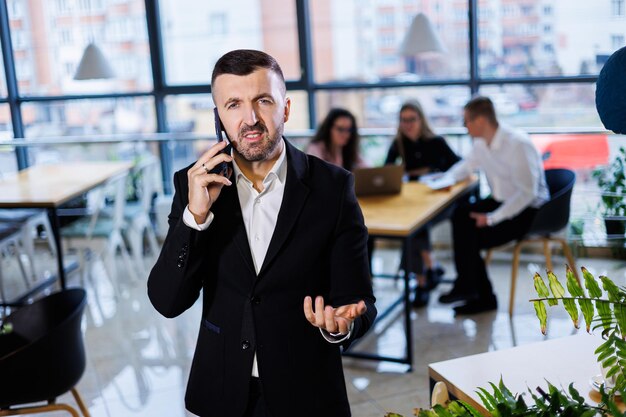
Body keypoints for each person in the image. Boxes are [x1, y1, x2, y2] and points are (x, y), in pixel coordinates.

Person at [147, 49, 376, 417]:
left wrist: (340, 324)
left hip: (306, 390)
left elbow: (359, 300)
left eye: (263, 101)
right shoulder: (193, 185)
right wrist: (195, 217)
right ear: (218, 116)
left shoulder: (333, 188)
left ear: (285, 109)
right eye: (233, 104)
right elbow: (167, 301)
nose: (250, 119)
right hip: (223, 389)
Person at [439, 96, 549, 315]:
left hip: (530, 211)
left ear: (480, 120)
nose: (464, 126)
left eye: (466, 121)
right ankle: (470, 288)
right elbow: (466, 166)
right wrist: (442, 180)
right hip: (502, 200)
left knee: (470, 236)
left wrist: (491, 218)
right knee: (460, 215)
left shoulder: (517, 144)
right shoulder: (481, 143)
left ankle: (479, 295)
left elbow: (527, 194)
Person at [385, 100, 460, 308]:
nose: (407, 124)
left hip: (441, 203)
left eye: (412, 119)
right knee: (414, 225)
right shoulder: (398, 143)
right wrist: (411, 173)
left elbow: (458, 167)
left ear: (421, 120)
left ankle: (424, 280)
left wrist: (431, 172)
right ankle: (428, 272)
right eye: (403, 120)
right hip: (414, 202)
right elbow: (387, 172)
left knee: (415, 227)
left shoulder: (436, 142)